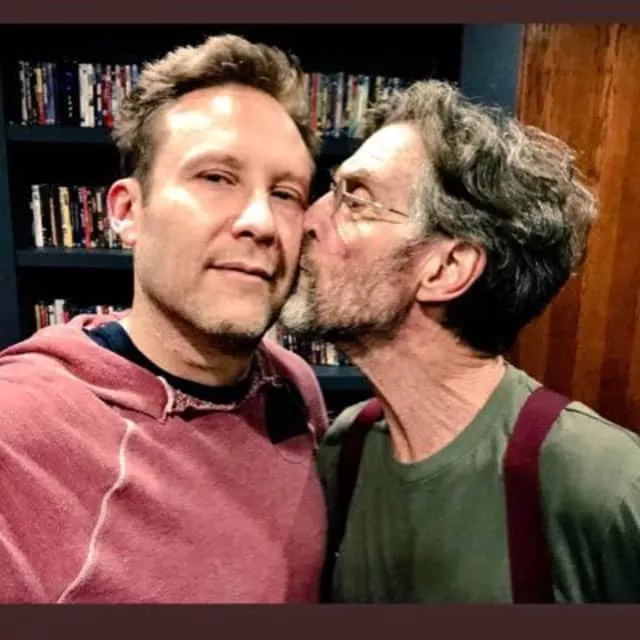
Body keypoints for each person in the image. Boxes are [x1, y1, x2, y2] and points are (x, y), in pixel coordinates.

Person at [280, 79, 640, 602]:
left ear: (447, 268)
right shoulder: (345, 450)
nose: (307, 220)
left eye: (355, 200)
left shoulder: (603, 479)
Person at [0, 34, 330, 603]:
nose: (260, 222)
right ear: (128, 211)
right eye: (216, 178)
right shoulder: (20, 431)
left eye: (285, 193)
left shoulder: (294, 389)